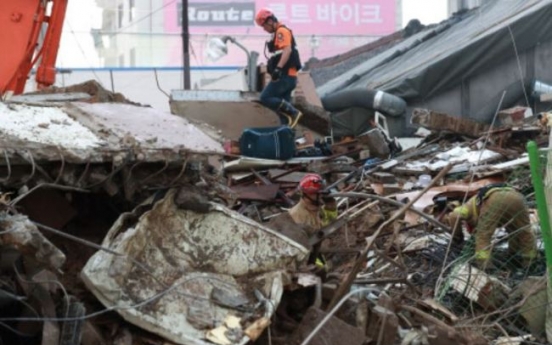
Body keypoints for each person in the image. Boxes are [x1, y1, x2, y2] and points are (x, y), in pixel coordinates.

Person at [444, 184, 537, 270]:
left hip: (495, 199)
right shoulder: (477, 205)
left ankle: (485, 267)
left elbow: (454, 215)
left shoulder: (469, 207)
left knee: (483, 236)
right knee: (522, 231)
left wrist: (457, 238)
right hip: (518, 198)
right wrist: (512, 253)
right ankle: (527, 261)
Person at [255, 8, 303, 128]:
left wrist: (278, 69)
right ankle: (287, 137)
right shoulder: (277, 34)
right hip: (288, 77)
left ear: (270, 21)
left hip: (285, 76)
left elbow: (287, 50)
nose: (264, 29)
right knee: (283, 115)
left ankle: (293, 112)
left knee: (265, 97)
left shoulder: (281, 31)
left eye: (264, 25)